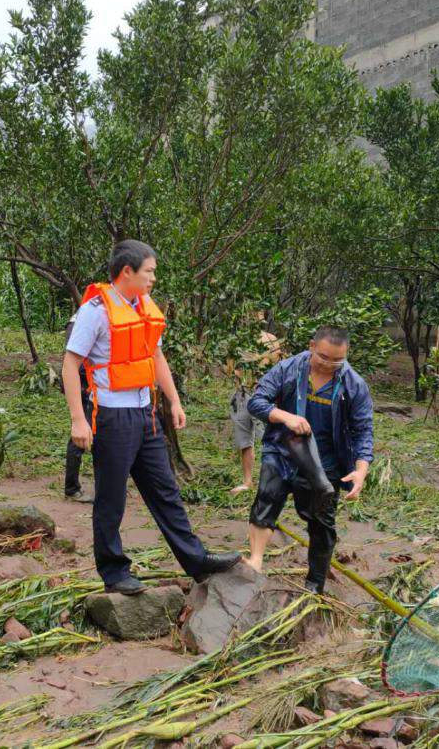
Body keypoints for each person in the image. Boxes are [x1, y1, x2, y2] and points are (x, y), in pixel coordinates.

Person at [62, 239, 241, 595]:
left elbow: (156, 358)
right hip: (112, 416)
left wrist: (174, 401)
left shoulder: (144, 307)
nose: (153, 279)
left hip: (146, 414)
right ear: (126, 271)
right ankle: (114, 572)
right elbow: (70, 364)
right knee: (112, 498)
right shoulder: (95, 311)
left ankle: (197, 561)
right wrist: (78, 420)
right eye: (149, 272)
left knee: (166, 491)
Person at [243, 326, 374, 593]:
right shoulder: (288, 369)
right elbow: (256, 401)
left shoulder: (354, 384)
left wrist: (361, 470)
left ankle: (315, 584)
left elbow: (363, 430)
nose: (329, 365)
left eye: (337, 360)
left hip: (324, 462)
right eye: (323, 357)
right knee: (266, 499)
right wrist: (285, 416)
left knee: (321, 523)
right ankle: (255, 561)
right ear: (312, 345)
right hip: (282, 449)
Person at [229, 327, 283, 494]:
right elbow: (229, 367)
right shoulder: (237, 339)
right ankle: (247, 481)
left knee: (269, 438)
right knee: (244, 440)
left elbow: (278, 366)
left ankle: (276, 481)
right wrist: (236, 371)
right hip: (242, 394)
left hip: (263, 394)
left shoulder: (271, 339)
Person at [62, 312, 94, 503]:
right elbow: (75, 362)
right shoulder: (83, 320)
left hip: (86, 384)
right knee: (81, 434)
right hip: (84, 385)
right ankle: (72, 488)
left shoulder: (78, 318)